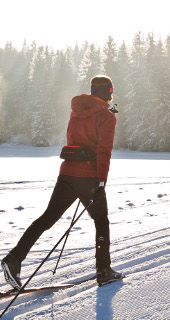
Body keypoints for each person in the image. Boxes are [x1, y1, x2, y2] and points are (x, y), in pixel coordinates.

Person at [1, 75, 123, 289]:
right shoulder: (106, 117)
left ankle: (14, 259)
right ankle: (104, 271)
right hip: (89, 178)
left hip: (67, 174)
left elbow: (71, 140)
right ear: (108, 92)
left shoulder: (76, 111)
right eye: (111, 90)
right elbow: (104, 151)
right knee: (101, 221)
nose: (112, 94)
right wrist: (101, 182)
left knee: (47, 218)